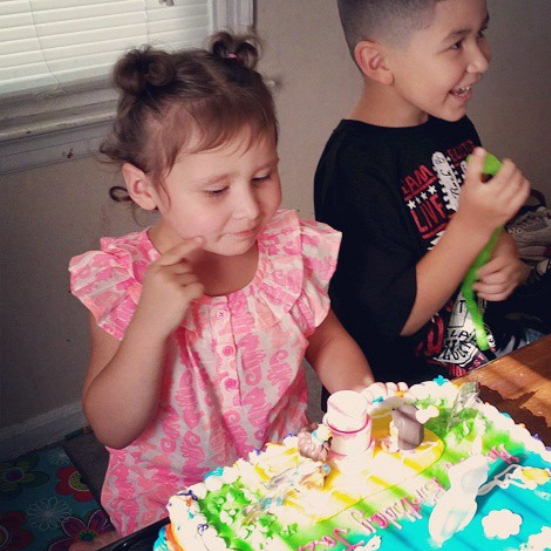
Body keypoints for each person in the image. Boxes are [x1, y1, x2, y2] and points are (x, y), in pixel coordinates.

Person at [68, 31, 376, 548]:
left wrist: (364, 401)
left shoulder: (285, 252)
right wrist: (148, 327)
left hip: (280, 479)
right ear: (144, 188)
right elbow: (112, 429)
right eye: (216, 190)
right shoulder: (123, 280)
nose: (250, 208)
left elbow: (326, 340)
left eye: (262, 176)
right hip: (173, 507)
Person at [314, 0, 537, 390]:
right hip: (421, 396)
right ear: (378, 62)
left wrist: (502, 248)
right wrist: (472, 228)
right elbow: (394, 319)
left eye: (481, 33)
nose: (481, 60)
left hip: (490, 350)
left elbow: (484, 226)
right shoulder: (352, 169)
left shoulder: (452, 125)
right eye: (456, 44)